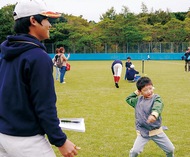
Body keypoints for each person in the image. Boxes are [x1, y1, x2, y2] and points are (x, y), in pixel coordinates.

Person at [0, 0, 79, 157]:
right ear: (33, 21)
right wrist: (60, 140)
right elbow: (44, 105)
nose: (49, 25)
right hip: (27, 140)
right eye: (46, 19)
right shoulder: (38, 57)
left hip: (2, 135)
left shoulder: (4, 53)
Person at [126, 77, 175, 157]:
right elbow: (128, 99)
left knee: (170, 149)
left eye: (150, 88)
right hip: (143, 132)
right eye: (145, 90)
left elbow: (158, 106)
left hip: (156, 131)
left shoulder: (156, 98)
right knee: (135, 151)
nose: (149, 91)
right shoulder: (137, 101)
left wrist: (154, 115)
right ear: (140, 92)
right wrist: (135, 93)